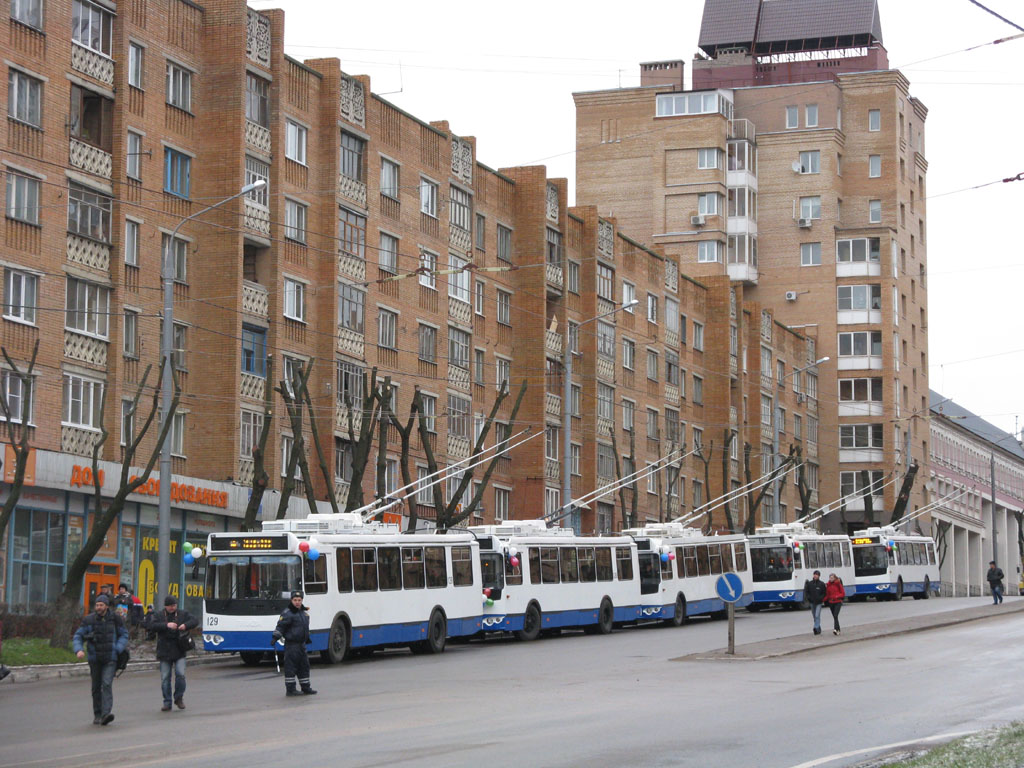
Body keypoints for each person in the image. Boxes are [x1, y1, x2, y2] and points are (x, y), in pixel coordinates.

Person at [72, 594, 128, 725]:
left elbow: (124, 634)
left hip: (110, 658)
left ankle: (106, 714)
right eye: (97, 605)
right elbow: (78, 636)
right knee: (96, 687)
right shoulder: (89, 620)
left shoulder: (115, 619)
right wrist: (78, 649)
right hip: (95, 658)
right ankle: (97, 713)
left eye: (101, 605)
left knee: (107, 684)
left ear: (106, 606)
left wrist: (118, 648)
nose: (98, 607)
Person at [150, 595, 199, 711]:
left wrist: (185, 625)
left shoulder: (182, 614)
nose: (172, 608)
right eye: (170, 606)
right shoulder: (159, 615)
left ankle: (179, 697)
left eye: (174, 605)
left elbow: (195, 620)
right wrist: (166, 625)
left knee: (180, 675)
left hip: (179, 650)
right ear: (165, 606)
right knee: (165, 678)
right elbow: (151, 625)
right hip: (164, 651)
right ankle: (167, 702)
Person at [273, 591, 317, 696]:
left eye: (299, 600)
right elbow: (281, 626)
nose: (297, 602)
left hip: (301, 645)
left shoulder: (303, 613)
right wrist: (275, 637)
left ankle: (306, 688)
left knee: (304, 666)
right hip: (292, 645)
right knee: (291, 667)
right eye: (295, 600)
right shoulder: (287, 613)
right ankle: (291, 690)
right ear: (291, 600)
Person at [803, 570, 827, 636]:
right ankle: (818, 628)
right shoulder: (810, 583)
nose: (815, 575)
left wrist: (821, 598)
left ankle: (815, 627)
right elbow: (806, 592)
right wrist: (809, 598)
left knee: (817, 615)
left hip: (819, 602)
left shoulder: (821, 584)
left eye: (817, 574)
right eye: (814, 574)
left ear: (819, 576)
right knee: (814, 616)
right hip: (812, 602)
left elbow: (824, 593)